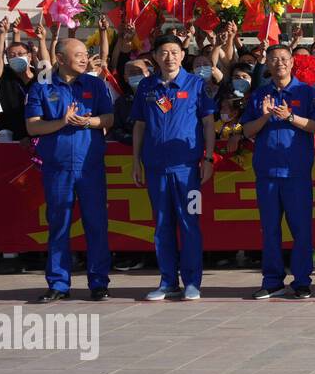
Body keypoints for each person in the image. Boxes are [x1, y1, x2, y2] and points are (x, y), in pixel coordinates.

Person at [24, 38, 114, 302]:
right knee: (59, 224)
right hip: (57, 167)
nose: (85, 59)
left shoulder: (96, 84)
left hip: (89, 167)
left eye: (86, 54)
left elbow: (108, 118)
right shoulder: (42, 85)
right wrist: (62, 122)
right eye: (78, 55)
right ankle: (58, 284)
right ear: (61, 58)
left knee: (96, 224)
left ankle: (99, 282)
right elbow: (33, 127)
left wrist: (89, 121)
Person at [131, 34, 217, 301]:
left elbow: (208, 124)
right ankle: (168, 281)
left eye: (175, 52)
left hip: (188, 170)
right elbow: (140, 126)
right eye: (164, 52)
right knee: (162, 225)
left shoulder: (195, 85)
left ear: (183, 55)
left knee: (190, 223)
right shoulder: (147, 86)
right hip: (156, 168)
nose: (170, 57)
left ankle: (192, 282)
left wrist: (209, 158)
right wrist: (136, 160)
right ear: (155, 56)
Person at [243, 44, 315, 300]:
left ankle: (301, 281)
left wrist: (290, 117)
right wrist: (265, 117)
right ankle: (273, 280)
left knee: (301, 230)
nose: (279, 63)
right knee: (270, 229)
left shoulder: (305, 92)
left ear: (292, 63)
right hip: (267, 173)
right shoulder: (259, 95)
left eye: (284, 59)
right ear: (267, 64)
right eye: (274, 59)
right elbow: (247, 131)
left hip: (296, 173)